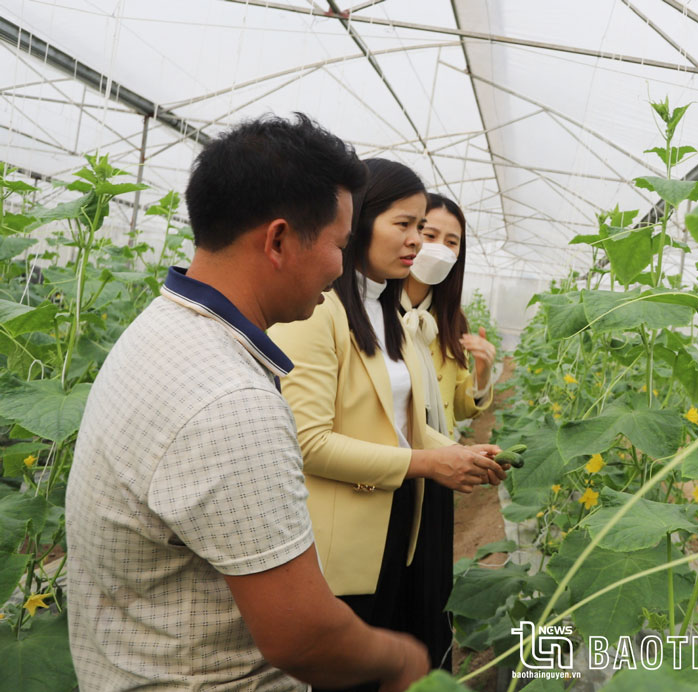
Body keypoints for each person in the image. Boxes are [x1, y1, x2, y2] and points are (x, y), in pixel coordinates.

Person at [65, 114, 429, 691]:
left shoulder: (162, 326)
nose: (340, 267)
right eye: (339, 245)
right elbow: (302, 634)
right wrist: (402, 660)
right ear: (279, 240)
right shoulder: (230, 400)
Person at [268, 159, 506, 690]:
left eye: (422, 229)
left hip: (402, 515)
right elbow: (307, 443)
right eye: (406, 225)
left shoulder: (390, 315)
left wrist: (460, 452)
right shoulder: (319, 310)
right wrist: (427, 461)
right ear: (359, 221)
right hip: (345, 536)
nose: (418, 244)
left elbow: (407, 422)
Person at [398, 193, 498, 670]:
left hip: (437, 470)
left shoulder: (449, 319)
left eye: (451, 241)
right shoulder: (374, 313)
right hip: (390, 468)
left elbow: (459, 403)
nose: (438, 247)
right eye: (430, 235)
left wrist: (481, 373)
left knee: (429, 584)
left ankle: (424, 668)